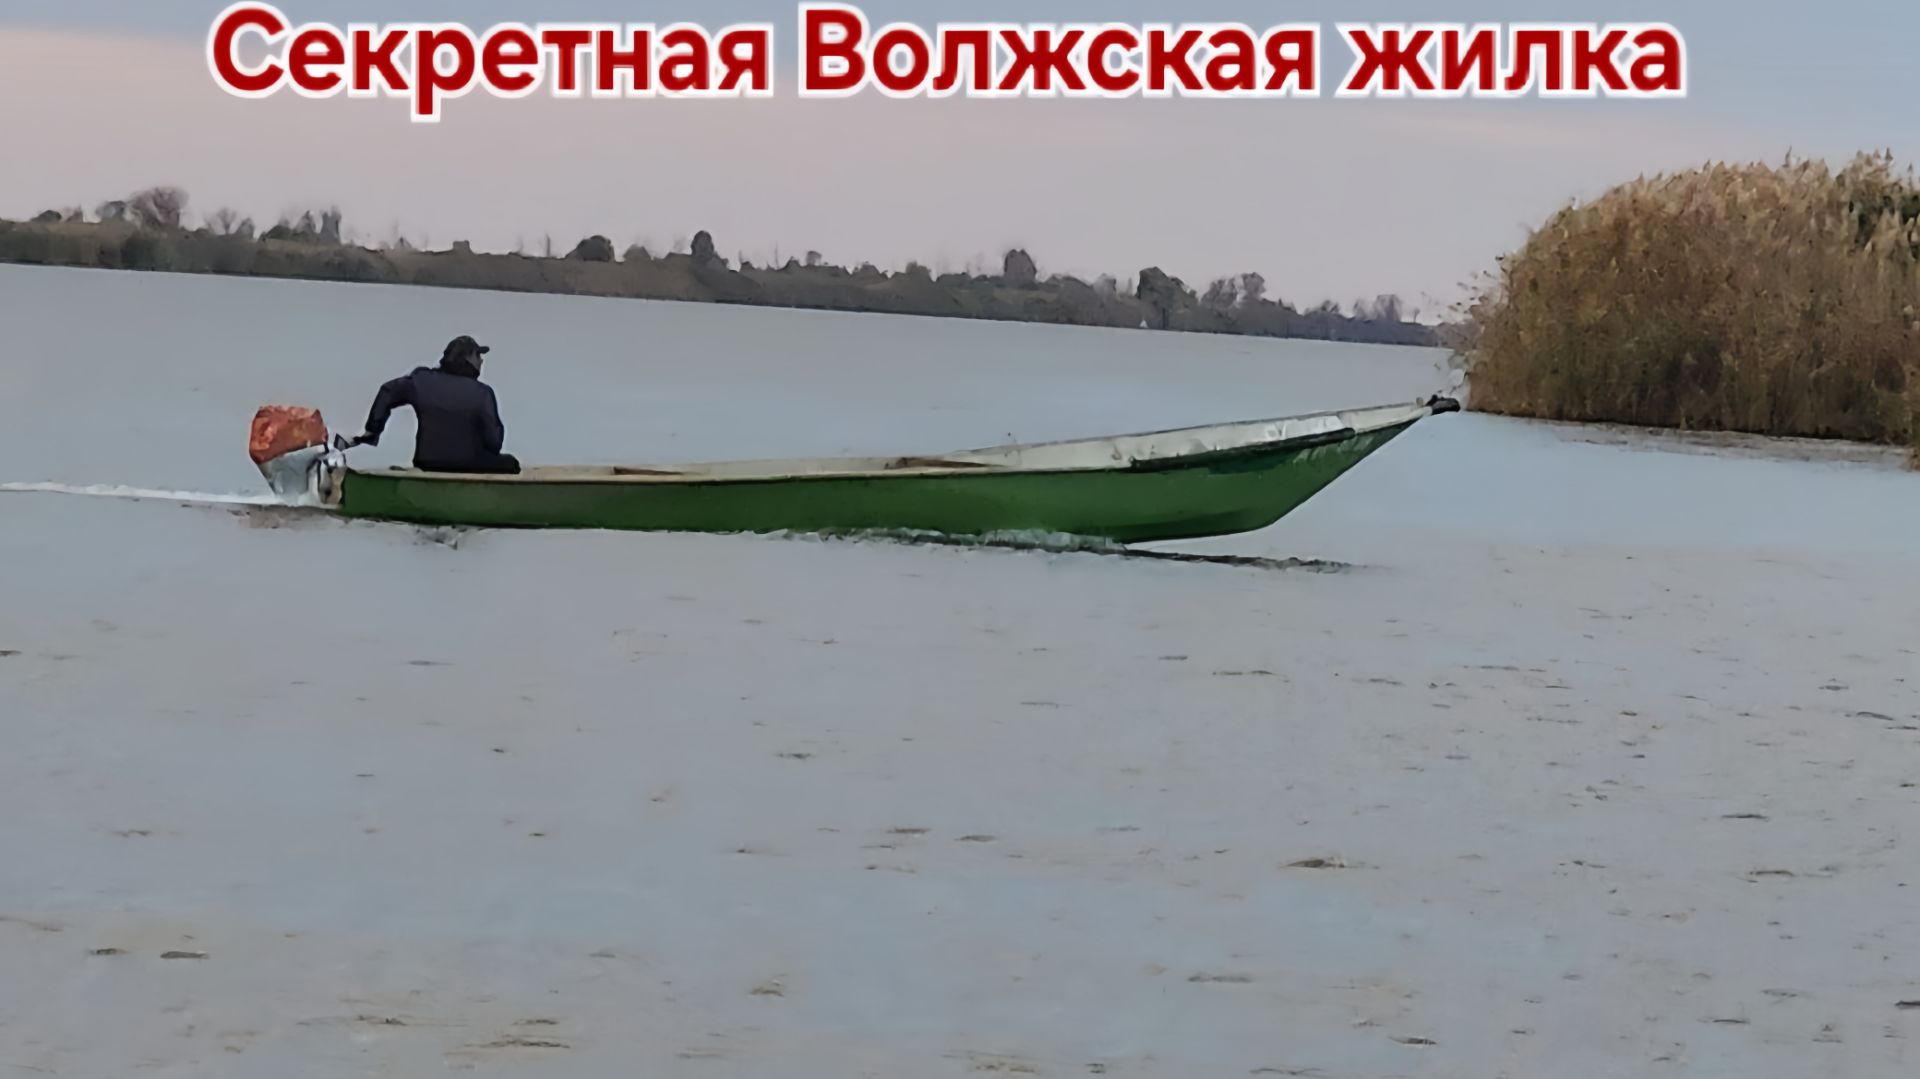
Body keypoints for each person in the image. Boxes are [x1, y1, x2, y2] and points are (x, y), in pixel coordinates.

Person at [346, 335, 520, 474]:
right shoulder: (482, 393)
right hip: (468, 464)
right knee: (511, 463)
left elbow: (387, 391)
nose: (481, 361)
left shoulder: (422, 380)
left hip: (427, 462)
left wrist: (373, 430)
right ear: (467, 358)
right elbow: (494, 443)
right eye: (478, 355)